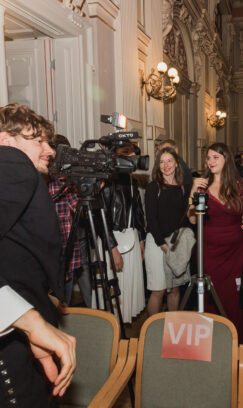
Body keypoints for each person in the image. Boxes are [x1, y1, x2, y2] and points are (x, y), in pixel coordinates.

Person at [0, 103, 76, 406]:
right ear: (6, 140)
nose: (50, 150)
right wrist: (31, 320)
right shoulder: (13, 163)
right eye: (38, 140)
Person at [189, 143, 243, 343]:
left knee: (234, 298)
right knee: (209, 296)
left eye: (216, 157)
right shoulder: (202, 186)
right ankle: (211, 344)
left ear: (226, 159)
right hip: (209, 252)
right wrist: (193, 189)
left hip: (236, 253)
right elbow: (191, 219)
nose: (210, 161)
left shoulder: (241, 185)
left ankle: (237, 343)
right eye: (208, 158)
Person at [101, 142, 146, 323]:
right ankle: (111, 328)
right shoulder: (107, 180)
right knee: (115, 287)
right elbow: (101, 218)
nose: (131, 156)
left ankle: (121, 327)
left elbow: (138, 213)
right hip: (111, 240)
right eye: (126, 152)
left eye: (133, 153)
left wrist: (141, 241)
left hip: (132, 238)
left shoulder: (132, 180)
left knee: (128, 288)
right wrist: (113, 249)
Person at [145, 147, 192, 316]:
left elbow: (184, 220)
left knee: (174, 289)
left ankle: (172, 329)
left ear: (176, 163)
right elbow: (152, 220)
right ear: (158, 166)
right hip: (157, 244)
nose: (166, 165)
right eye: (162, 162)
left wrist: (179, 246)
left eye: (169, 161)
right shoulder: (153, 187)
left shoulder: (183, 188)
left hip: (176, 244)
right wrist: (164, 246)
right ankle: (152, 330)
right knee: (159, 290)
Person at [48, 134, 92, 307]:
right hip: (51, 254)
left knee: (65, 304)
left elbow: (78, 208)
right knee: (53, 307)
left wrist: (89, 186)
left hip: (68, 252)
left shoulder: (69, 180)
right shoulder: (44, 180)